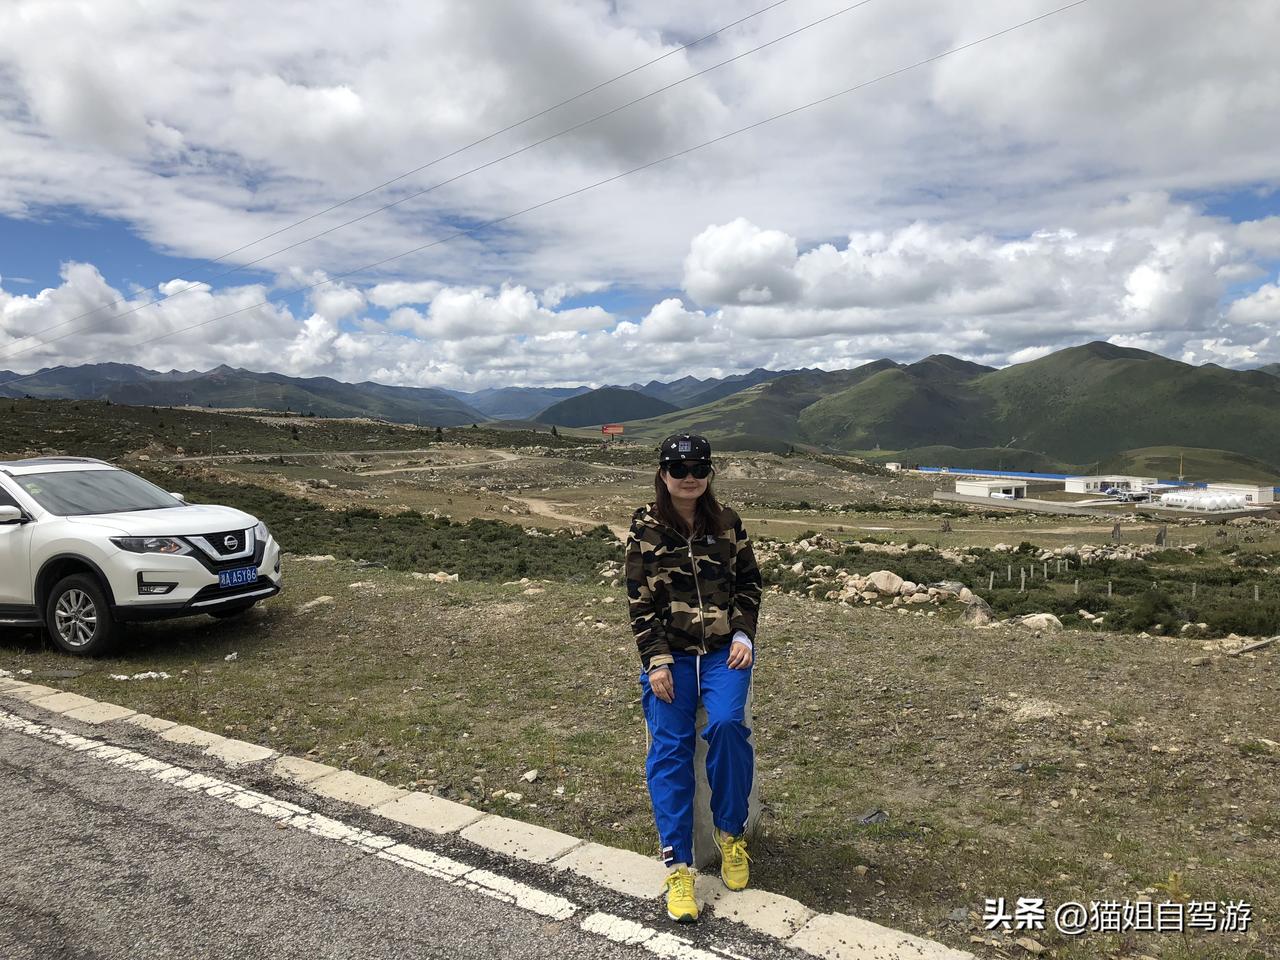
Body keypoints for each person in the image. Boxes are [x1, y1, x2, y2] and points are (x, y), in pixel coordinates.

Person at [625, 433, 763, 923]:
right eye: (679, 470)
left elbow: (749, 583)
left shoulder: (727, 522)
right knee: (669, 749)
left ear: (709, 474)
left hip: (724, 652)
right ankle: (678, 865)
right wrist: (656, 660)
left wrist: (744, 634)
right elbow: (639, 600)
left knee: (727, 726)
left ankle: (731, 834)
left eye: (698, 470)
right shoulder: (644, 528)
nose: (689, 478)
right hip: (672, 657)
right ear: (663, 473)